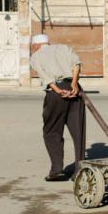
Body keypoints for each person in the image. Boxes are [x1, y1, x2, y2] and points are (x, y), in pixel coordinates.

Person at [30, 34, 86, 182]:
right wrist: (74, 84)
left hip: (56, 93)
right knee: (78, 131)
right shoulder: (64, 48)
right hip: (75, 90)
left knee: (51, 131)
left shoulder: (36, 56)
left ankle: (56, 170)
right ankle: (80, 170)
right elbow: (77, 65)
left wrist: (57, 90)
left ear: (35, 46)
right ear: (48, 42)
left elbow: (45, 76)